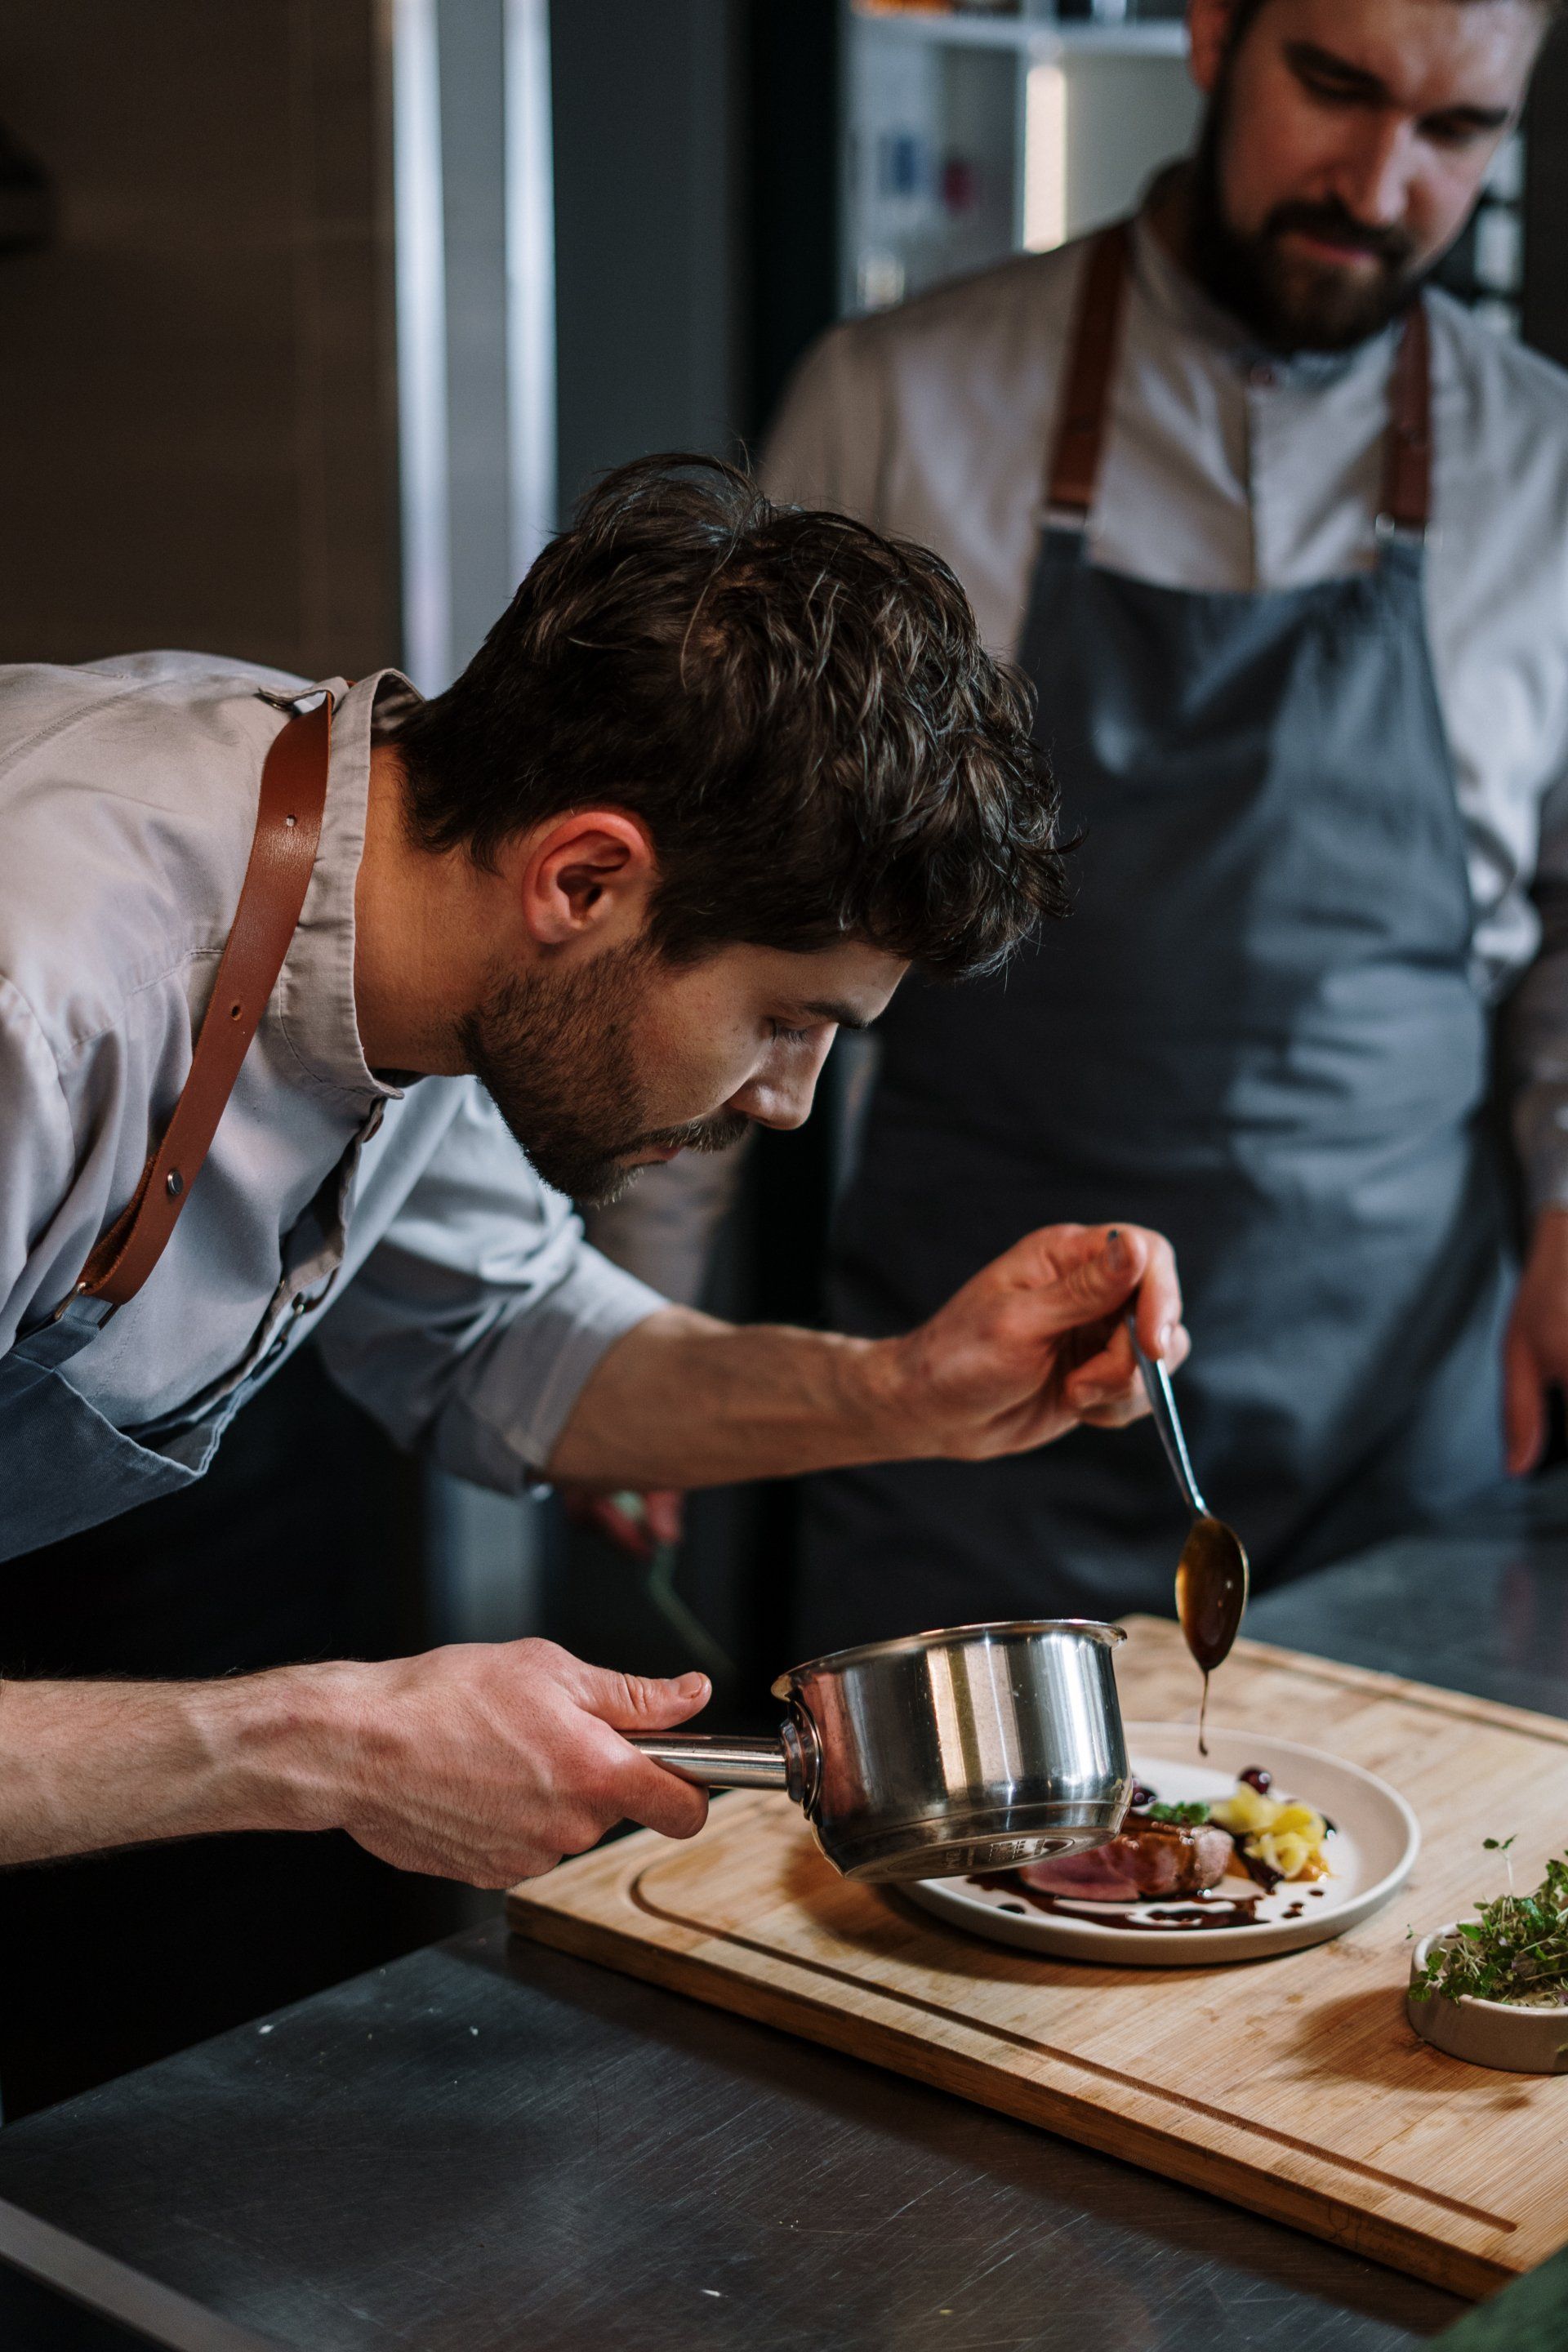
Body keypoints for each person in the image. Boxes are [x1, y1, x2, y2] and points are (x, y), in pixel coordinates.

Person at [0, 457, 1186, 1888]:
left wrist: (907, 1391)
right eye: (786, 1020)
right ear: (583, 881)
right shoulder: (43, 1007)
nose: (791, 1100)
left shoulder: (412, 888)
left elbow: (506, 1339)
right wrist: (322, 1747)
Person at [606, 0, 1568, 1656]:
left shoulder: (1549, 465)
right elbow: (722, 891)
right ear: (1213, 32)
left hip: (1393, 1418)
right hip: (962, 1406)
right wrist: (636, 1331)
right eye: (1332, 86)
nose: (1379, 177)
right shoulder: (900, 402)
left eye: (1456, 132)